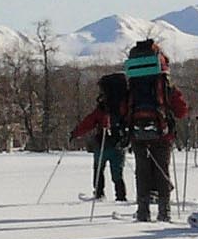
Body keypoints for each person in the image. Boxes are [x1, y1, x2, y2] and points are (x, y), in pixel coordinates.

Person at [116, 39, 190, 223]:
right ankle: (164, 212)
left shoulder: (132, 86)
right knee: (162, 170)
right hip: (162, 133)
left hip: (137, 132)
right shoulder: (165, 86)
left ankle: (143, 212)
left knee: (142, 171)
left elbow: (124, 109)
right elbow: (181, 110)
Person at [74, 72, 130, 202]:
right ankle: (120, 196)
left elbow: (90, 121)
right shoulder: (125, 104)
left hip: (103, 143)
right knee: (117, 172)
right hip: (118, 143)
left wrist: (76, 132)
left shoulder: (103, 107)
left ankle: (99, 193)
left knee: (98, 169)